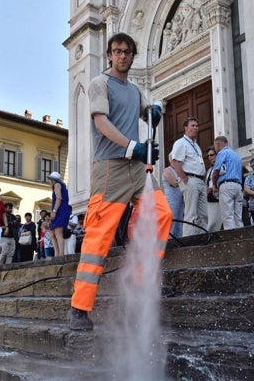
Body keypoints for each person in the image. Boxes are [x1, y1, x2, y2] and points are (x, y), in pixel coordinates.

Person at [69, 32, 172, 331]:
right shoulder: (99, 84)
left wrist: (153, 112)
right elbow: (101, 123)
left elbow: (146, 113)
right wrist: (132, 147)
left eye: (127, 51)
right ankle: (79, 308)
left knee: (161, 214)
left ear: (133, 55)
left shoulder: (135, 90)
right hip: (110, 169)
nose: (122, 56)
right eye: (117, 51)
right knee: (99, 235)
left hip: (137, 170)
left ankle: (142, 283)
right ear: (109, 55)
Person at [171, 117, 208, 236]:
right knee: (191, 213)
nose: (196, 128)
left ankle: (202, 237)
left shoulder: (196, 146)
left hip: (200, 181)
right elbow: (175, 163)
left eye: (197, 126)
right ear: (186, 128)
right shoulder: (180, 143)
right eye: (193, 125)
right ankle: (188, 240)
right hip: (190, 180)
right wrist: (186, 180)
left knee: (203, 214)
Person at [210, 136, 244, 230]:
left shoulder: (222, 153)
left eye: (215, 146)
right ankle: (241, 237)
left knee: (227, 216)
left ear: (218, 144)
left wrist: (214, 185)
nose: (215, 149)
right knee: (238, 217)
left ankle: (232, 239)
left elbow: (216, 171)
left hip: (226, 185)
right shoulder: (236, 155)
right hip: (238, 186)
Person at [47, 172, 71, 257]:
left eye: (49, 179)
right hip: (59, 209)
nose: (48, 181)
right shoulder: (59, 185)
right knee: (52, 233)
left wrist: (54, 211)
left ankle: (61, 254)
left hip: (61, 210)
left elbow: (59, 198)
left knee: (58, 232)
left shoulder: (57, 184)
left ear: (52, 180)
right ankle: (57, 253)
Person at [161, 156, 184, 239]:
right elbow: (174, 183)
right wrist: (186, 180)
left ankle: (178, 239)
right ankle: (168, 240)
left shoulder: (179, 171)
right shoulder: (167, 170)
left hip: (180, 199)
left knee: (180, 220)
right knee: (172, 220)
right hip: (171, 199)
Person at [204, 146, 222, 232]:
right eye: (208, 156)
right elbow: (206, 183)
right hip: (210, 199)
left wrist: (211, 189)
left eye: (211, 155)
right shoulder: (209, 170)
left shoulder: (221, 167)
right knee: (211, 221)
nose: (209, 158)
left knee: (215, 221)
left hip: (219, 197)